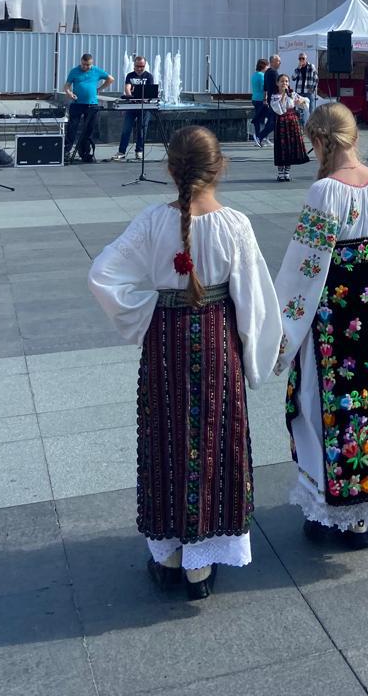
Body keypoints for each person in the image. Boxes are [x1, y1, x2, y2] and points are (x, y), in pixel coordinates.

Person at [87, 127, 281, 599]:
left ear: (170, 169)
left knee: (166, 437)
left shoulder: (152, 221)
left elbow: (103, 274)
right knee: (214, 438)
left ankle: (169, 556)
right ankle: (201, 566)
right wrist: (258, 356)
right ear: (220, 168)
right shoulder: (235, 225)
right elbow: (254, 300)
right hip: (215, 340)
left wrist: (146, 311)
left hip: (166, 340)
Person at [273, 103, 368, 548]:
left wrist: (282, 329)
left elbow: (304, 265)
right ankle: (361, 517)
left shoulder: (324, 192)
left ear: (319, 142)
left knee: (321, 401)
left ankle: (327, 507)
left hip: (337, 310)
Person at [64, 53, 113, 163]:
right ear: (81, 62)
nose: (85, 67)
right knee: (72, 127)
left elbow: (110, 79)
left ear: (92, 63)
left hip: (91, 104)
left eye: (88, 65)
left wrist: (99, 89)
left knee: (88, 130)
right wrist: (70, 93)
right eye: (84, 64)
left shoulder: (96, 70)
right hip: (77, 103)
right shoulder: (74, 71)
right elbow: (66, 86)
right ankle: (66, 151)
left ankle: (85, 152)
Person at [113, 56, 154, 161]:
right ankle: (121, 152)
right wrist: (130, 96)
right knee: (126, 129)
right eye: (137, 66)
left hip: (144, 107)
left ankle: (139, 151)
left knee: (142, 129)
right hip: (132, 106)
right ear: (134, 66)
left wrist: (145, 98)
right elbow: (127, 88)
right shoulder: (130, 75)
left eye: (142, 66)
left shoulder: (149, 76)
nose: (139, 68)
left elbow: (150, 91)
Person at [270, 73, 309, 182]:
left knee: (290, 146)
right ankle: (280, 173)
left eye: (286, 81)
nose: (284, 83)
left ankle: (287, 172)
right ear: (277, 83)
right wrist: (283, 95)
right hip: (281, 122)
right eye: (282, 81)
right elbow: (279, 109)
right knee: (281, 146)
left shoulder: (292, 94)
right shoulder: (274, 96)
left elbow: (305, 102)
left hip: (292, 121)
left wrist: (301, 102)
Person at [250, 59, 273, 147]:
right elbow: (264, 89)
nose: (268, 67)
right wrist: (265, 99)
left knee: (258, 118)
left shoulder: (254, 75)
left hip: (255, 98)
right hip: (262, 100)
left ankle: (259, 138)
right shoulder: (262, 76)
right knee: (270, 118)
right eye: (267, 65)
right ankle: (262, 137)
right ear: (264, 66)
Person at [292, 52, 319, 127]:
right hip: (300, 92)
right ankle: (302, 127)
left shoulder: (311, 67)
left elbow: (316, 79)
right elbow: (293, 78)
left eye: (303, 58)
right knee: (300, 111)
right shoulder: (298, 68)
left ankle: (312, 127)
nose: (301, 60)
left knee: (311, 110)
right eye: (300, 58)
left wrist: (312, 89)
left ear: (306, 59)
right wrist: (298, 68)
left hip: (308, 92)